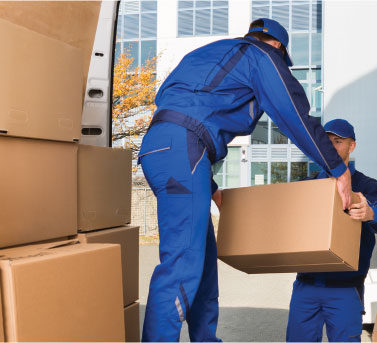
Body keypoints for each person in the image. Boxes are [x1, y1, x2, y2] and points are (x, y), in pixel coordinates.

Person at [138, 18, 353, 342]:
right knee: (181, 265)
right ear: (278, 47)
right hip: (184, 150)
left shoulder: (211, 54)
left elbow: (184, 109)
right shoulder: (261, 57)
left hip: (163, 149)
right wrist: (339, 169)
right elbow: (295, 115)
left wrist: (208, 187)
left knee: (203, 266)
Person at [285, 119, 377, 342]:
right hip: (306, 286)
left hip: (345, 288)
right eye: (326, 142)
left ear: (351, 146)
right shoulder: (307, 185)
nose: (332, 147)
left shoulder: (366, 186)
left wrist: (370, 213)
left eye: (338, 141)